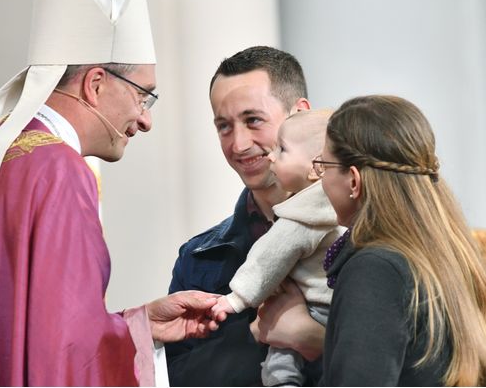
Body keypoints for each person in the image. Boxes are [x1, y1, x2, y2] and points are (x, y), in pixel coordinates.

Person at [0, 0, 221, 386]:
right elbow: (67, 357)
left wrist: (139, 326)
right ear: (96, 84)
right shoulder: (59, 171)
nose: (146, 119)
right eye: (143, 95)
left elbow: (26, 336)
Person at [167, 46, 325, 386]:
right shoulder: (198, 258)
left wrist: (311, 338)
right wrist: (256, 333)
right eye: (224, 126)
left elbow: (414, 363)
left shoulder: (367, 233)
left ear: (299, 115)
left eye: (253, 120)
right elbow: (178, 378)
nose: (238, 144)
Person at [314, 94, 486, 385]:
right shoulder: (452, 253)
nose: (319, 178)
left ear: (354, 181)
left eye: (323, 165)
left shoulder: (375, 270)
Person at [211, 110, 342, 386]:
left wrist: (236, 299)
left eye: (283, 150)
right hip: (336, 310)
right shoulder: (336, 206)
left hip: (315, 307)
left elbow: (266, 260)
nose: (272, 155)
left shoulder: (299, 217)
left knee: (279, 361)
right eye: (223, 125)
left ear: (316, 167)